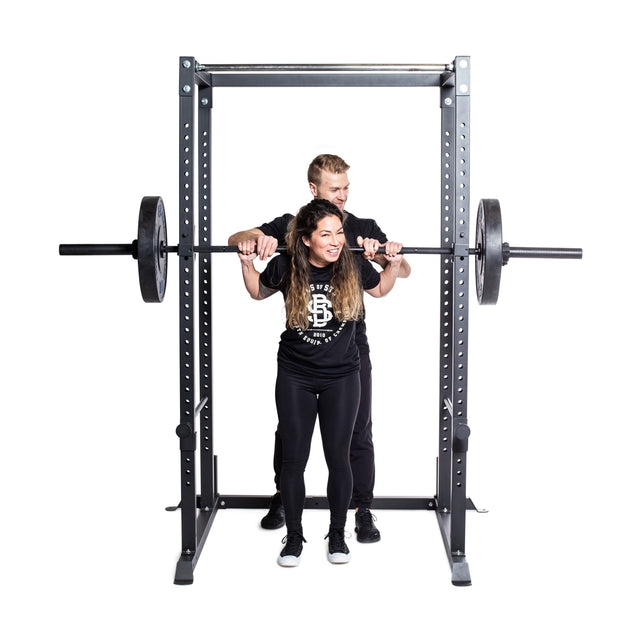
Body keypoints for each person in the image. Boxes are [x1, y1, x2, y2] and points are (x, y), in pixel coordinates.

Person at [228, 154, 411, 543]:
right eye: (335, 189)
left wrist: (380, 254)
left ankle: (361, 509)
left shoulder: (361, 228)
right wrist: (256, 241)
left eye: (346, 188)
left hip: (349, 345)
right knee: (291, 433)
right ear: (314, 189)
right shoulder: (294, 225)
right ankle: (285, 496)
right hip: (302, 349)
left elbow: (402, 270)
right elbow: (234, 242)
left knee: (357, 430)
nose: (343, 196)